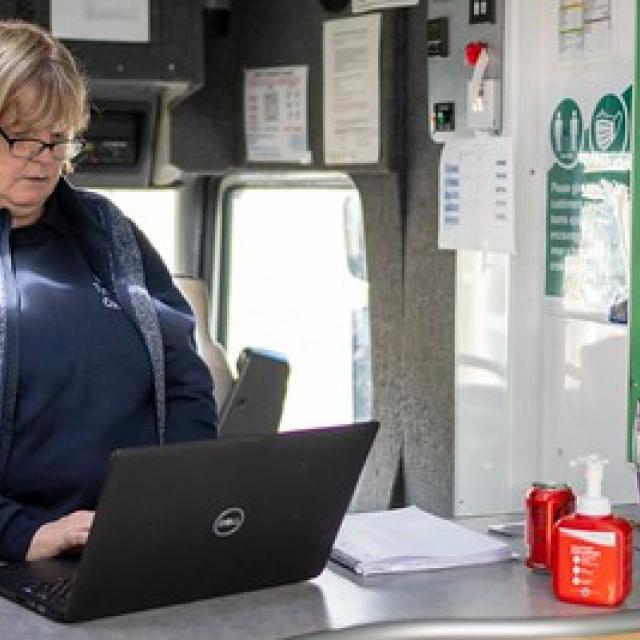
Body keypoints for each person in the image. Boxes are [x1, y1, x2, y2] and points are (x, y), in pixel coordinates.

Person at [0, 19, 217, 563]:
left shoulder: (106, 230)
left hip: (136, 545)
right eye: (22, 133)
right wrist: (23, 535)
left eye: (59, 136)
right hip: (21, 558)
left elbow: (184, 378)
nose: (44, 155)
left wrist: (182, 500)